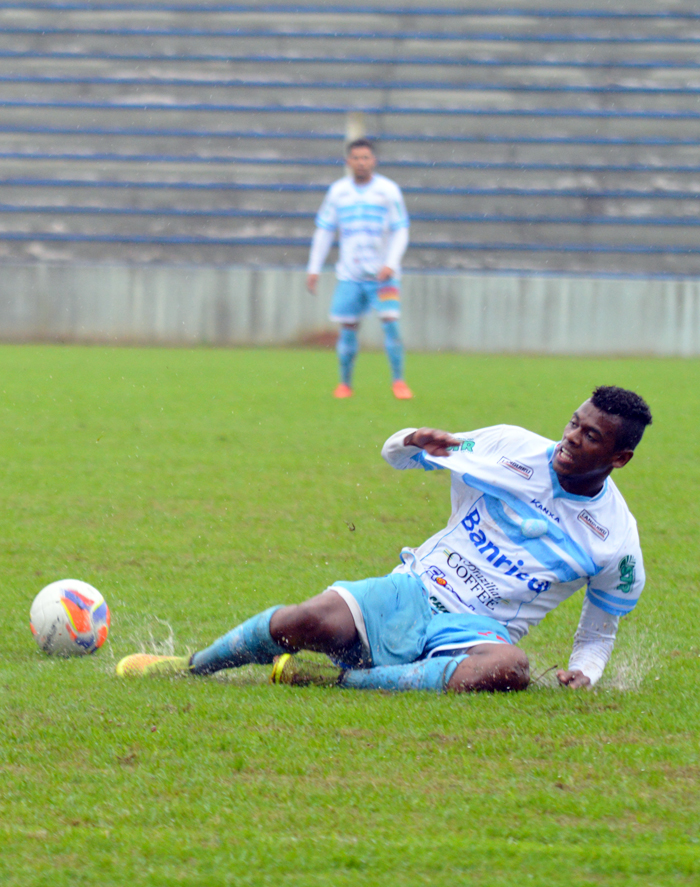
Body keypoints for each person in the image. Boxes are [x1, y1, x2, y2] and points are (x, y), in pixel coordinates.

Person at [116, 386, 652, 694]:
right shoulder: (510, 445)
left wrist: (584, 673)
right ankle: (192, 667)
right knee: (302, 621)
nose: (569, 439)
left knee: (510, 668)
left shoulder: (616, 542)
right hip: (416, 589)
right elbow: (397, 455)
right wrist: (412, 438)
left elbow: (599, 632)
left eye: (589, 437)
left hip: (480, 630)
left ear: (618, 459)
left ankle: (331, 682)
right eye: (573, 423)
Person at [305, 138, 413, 400]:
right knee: (348, 327)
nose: (361, 162)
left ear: (373, 161)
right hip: (349, 275)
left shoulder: (388, 191)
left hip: (383, 275)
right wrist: (313, 268)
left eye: (366, 158)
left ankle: (398, 381)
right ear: (348, 162)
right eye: (356, 158)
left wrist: (391, 262)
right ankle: (345, 384)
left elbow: (401, 229)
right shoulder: (338, 192)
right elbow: (325, 231)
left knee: (391, 324)